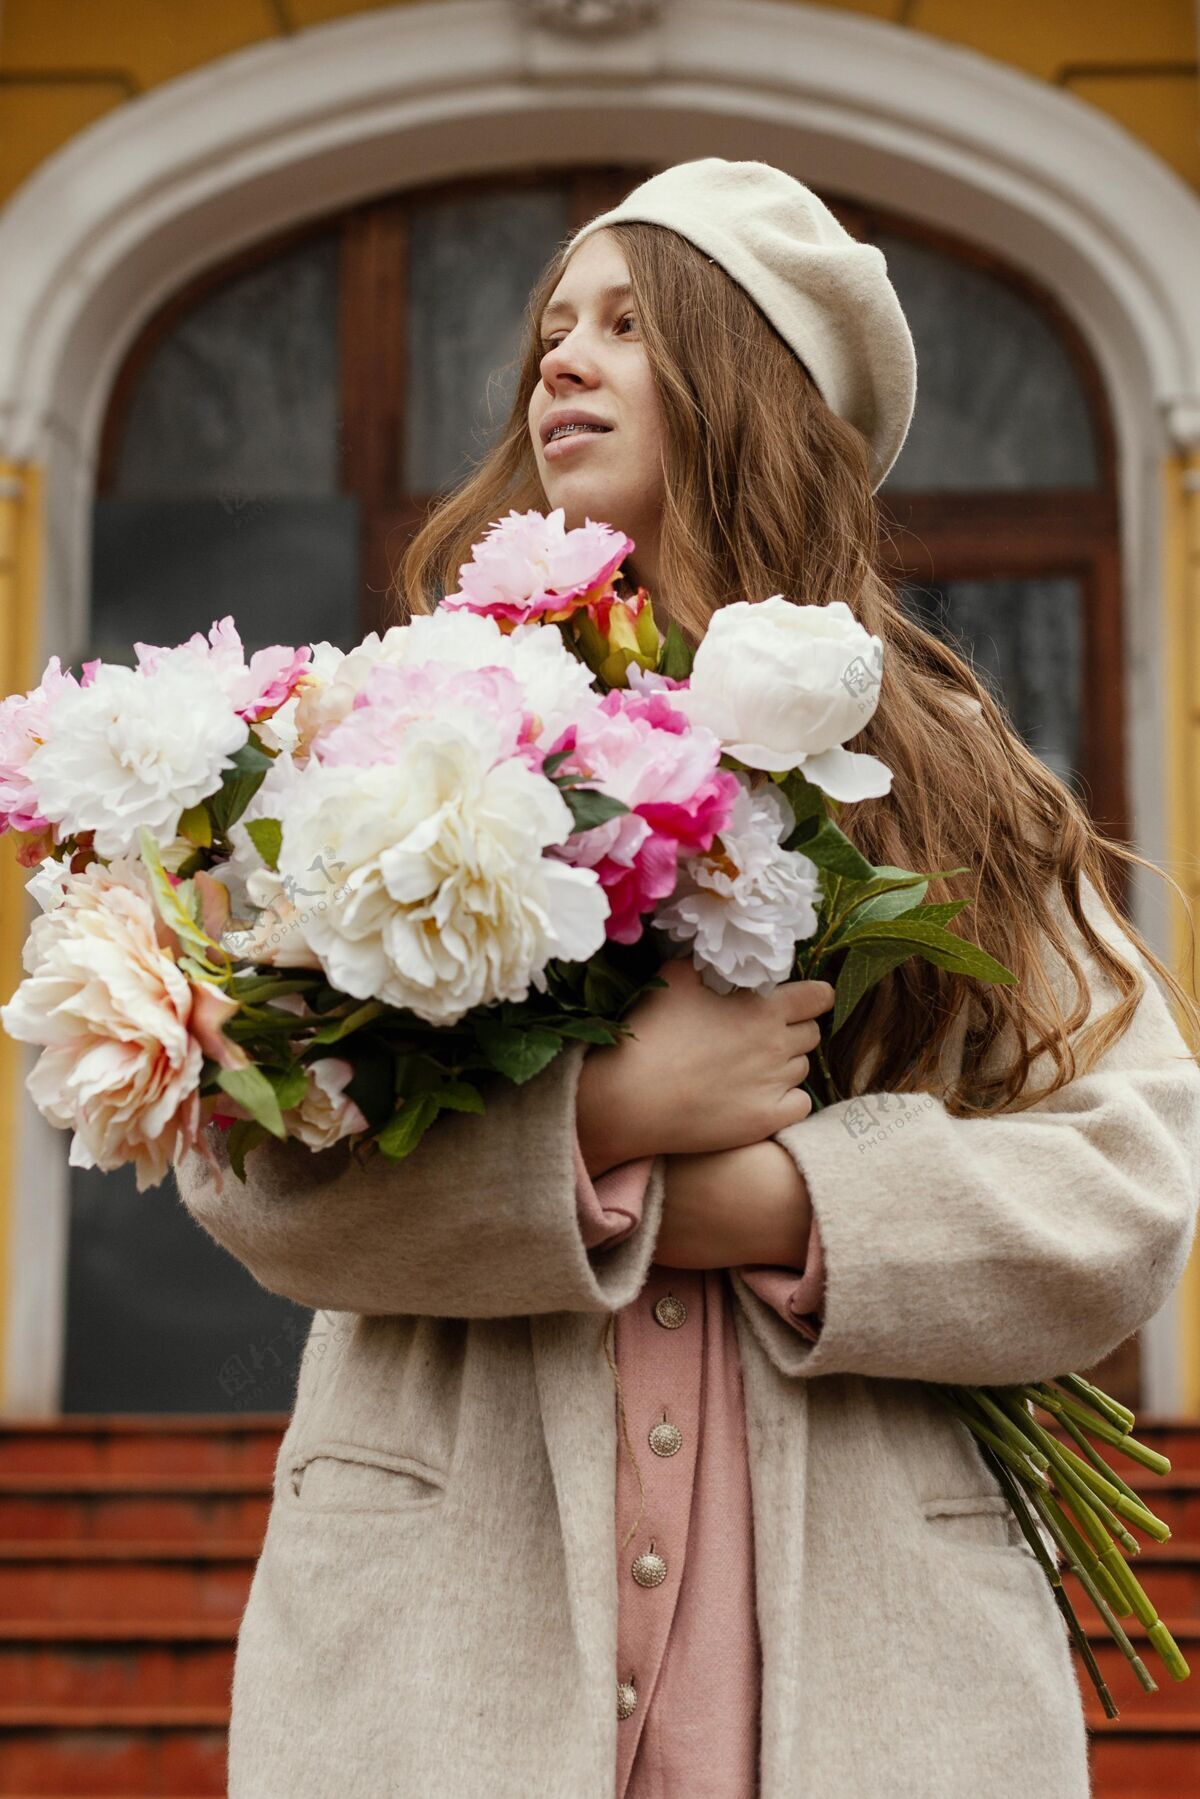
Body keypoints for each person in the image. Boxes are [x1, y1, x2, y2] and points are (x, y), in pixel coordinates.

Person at [174, 158, 1200, 1798]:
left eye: (629, 324)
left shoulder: (949, 778)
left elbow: (1126, 1189)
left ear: (747, 386)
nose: (557, 360)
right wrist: (599, 1125)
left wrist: (782, 1203)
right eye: (550, 327)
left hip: (864, 1668)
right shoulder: (418, 729)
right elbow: (254, 1164)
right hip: (453, 1648)